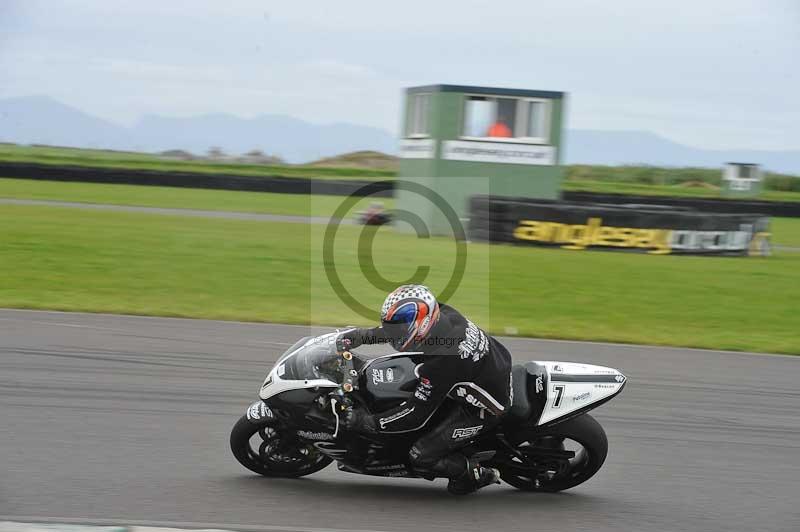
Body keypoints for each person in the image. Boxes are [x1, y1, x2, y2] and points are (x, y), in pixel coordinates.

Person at [337, 284, 513, 495]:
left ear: (422, 324)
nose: (394, 333)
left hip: (483, 409)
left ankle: (473, 475)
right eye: (391, 326)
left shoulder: (442, 361)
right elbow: (395, 332)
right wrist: (360, 336)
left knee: (421, 455)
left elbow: (415, 414)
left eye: (400, 328)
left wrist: (367, 422)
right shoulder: (442, 314)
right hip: (487, 368)